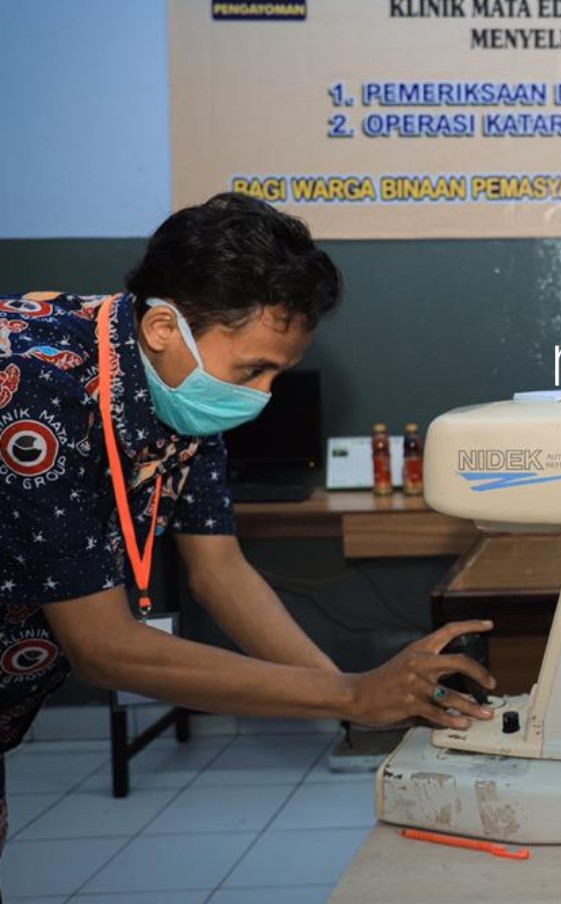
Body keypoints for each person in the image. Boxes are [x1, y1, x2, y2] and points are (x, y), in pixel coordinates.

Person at [0, 194, 496, 857]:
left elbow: (219, 570)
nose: (261, 396)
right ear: (163, 329)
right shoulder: (32, 389)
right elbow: (102, 647)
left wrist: (353, 703)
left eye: (277, 374)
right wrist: (348, 691)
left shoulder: (181, 386)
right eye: (251, 369)